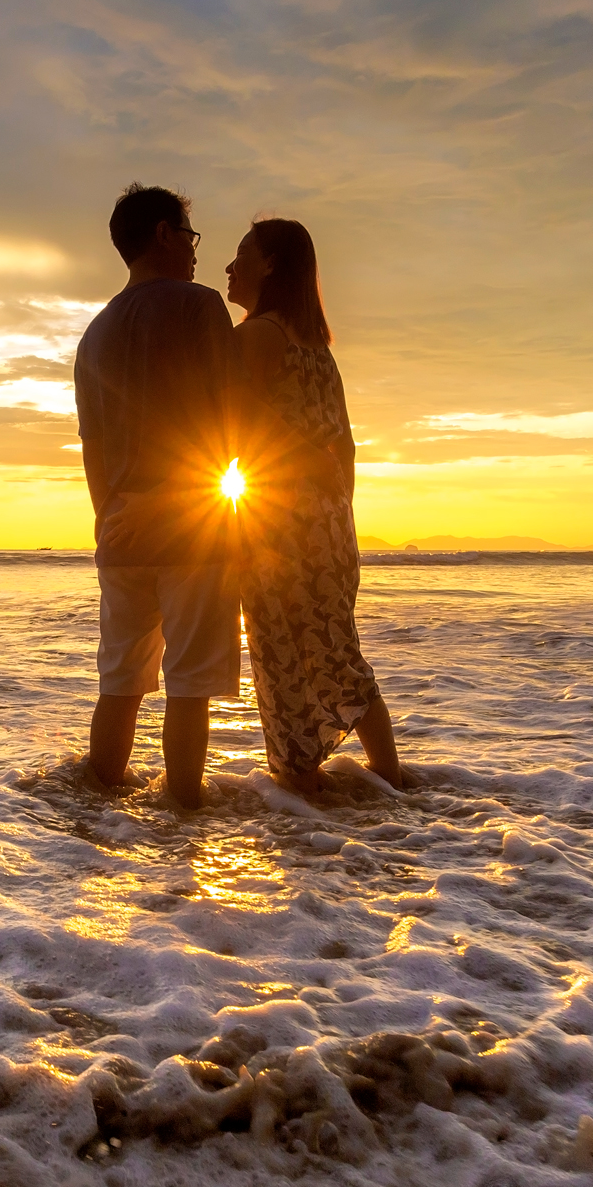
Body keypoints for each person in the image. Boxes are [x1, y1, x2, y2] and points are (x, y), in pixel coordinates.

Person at [223, 217, 407, 794]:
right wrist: (336, 511)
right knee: (335, 651)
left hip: (279, 522)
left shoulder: (258, 336)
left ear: (271, 264)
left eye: (240, 256)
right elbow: (345, 445)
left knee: (284, 658)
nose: (229, 268)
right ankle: (390, 783)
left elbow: (239, 422)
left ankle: (304, 793)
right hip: (327, 522)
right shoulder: (315, 348)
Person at [73, 184, 240, 809]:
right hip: (194, 527)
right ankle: (182, 822)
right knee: (188, 687)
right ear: (165, 235)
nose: (197, 253)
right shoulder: (199, 307)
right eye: (191, 238)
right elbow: (229, 426)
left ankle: (95, 817)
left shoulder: (95, 333)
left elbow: (92, 448)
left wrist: (109, 518)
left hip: (120, 533)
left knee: (119, 683)